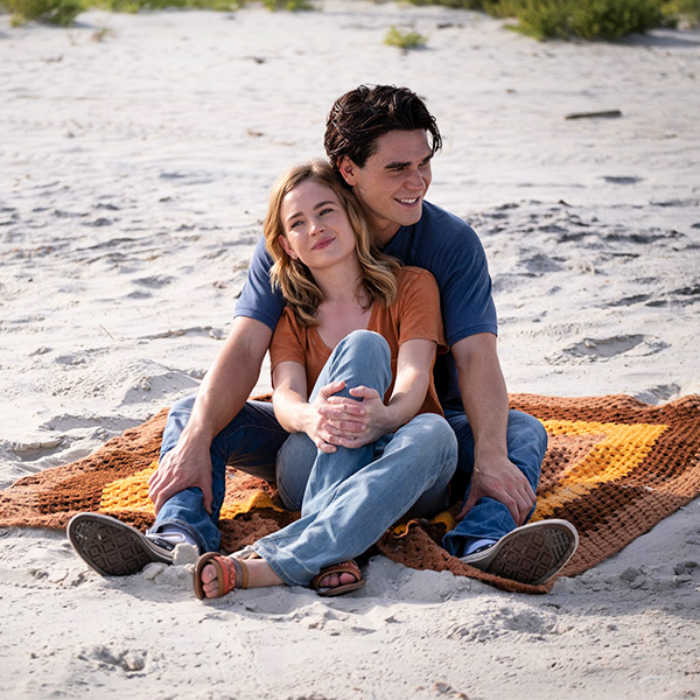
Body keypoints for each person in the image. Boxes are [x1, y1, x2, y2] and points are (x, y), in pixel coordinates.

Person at [69, 85, 578, 587]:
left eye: (424, 163)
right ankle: (179, 533)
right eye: (397, 167)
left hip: (416, 426)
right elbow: (247, 349)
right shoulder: (293, 248)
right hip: (312, 439)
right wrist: (199, 441)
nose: (418, 181)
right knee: (191, 414)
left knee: (520, 434)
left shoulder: (444, 247)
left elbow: (475, 357)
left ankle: (480, 543)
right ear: (349, 170)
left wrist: (489, 454)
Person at [71, 161, 458, 596]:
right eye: (298, 223)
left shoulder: (412, 285)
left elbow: (413, 377)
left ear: (352, 215)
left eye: (327, 211)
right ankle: (179, 536)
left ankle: (297, 552)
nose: (316, 227)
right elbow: (286, 395)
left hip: (406, 467)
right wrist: (312, 419)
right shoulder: (292, 314)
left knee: (434, 429)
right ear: (286, 246)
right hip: (312, 461)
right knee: (193, 413)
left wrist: (383, 420)